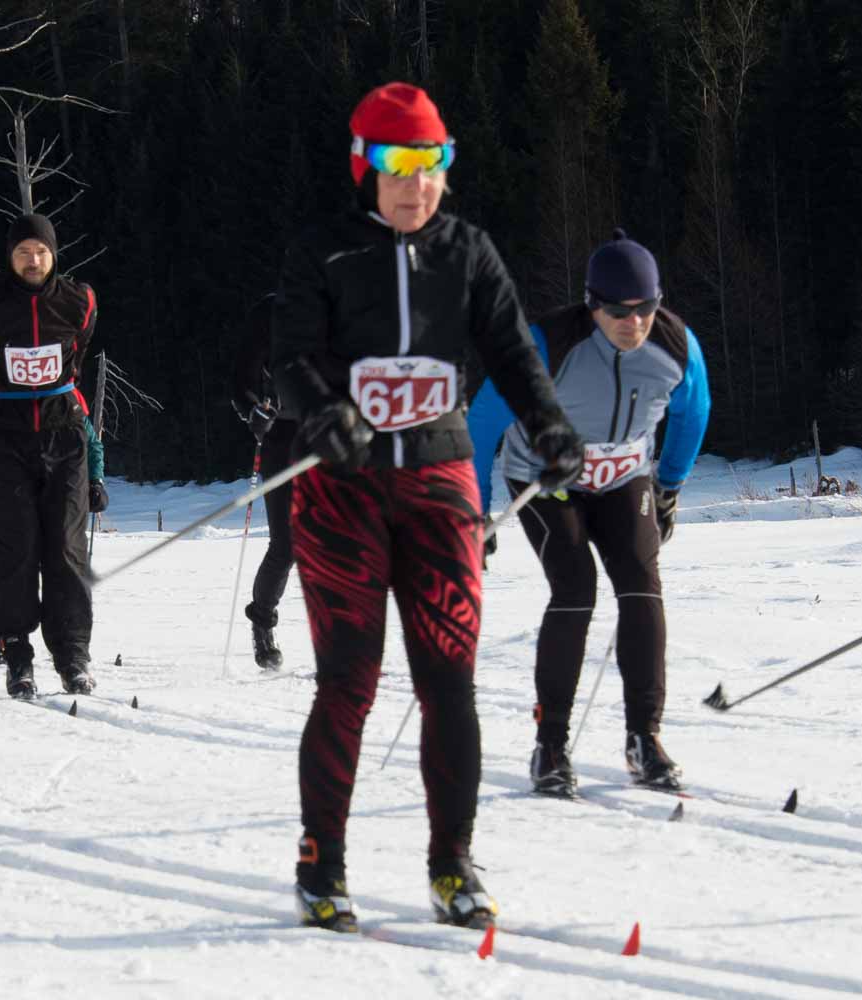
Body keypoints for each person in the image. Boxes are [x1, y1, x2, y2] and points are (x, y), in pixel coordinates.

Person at [271, 83, 583, 933]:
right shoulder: (326, 251)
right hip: (342, 488)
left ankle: (453, 863)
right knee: (349, 682)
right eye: (402, 167)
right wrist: (323, 409)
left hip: (440, 481)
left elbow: (513, 350)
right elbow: (289, 357)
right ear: (364, 169)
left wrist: (549, 421)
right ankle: (321, 864)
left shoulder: (467, 251)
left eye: (435, 164)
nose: (419, 186)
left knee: (450, 681)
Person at [467, 230, 710, 797]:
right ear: (592, 303)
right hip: (546, 482)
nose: (635, 323)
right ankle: (550, 746)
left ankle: (644, 739)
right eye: (619, 311)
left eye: (646, 308)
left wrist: (669, 487)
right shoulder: (547, 344)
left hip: (625, 479)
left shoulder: (675, 344)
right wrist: (475, 512)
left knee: (642, 588)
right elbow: (479, 428)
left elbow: (694, 414)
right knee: (576, 589)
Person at [0, 213, 101, 699]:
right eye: (22, 252)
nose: (32, 260)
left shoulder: (79, 302)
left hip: (65, 437)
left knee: (66, 549)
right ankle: (18, 655)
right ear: (9, 258)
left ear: (53, 255)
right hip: (7, 439)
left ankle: (73, 653)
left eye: (40, 252)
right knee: (15, 550)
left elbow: (79, 353)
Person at [231, 293, 295, 670]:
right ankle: (262, 623)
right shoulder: (270, 311)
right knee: (287, 545)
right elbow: (242, 380)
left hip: (331, 436)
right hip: (283, 437)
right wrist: (252, 410)